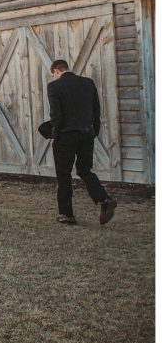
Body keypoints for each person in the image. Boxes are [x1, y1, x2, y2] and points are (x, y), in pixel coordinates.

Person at [47, 59, 117, 226]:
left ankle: (66, 214)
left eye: (54, 75)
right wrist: (94, 131)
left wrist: (54, 133)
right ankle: (104, 199)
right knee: (85, 170)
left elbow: (56, 115)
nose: (54, 77)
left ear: (56, 71)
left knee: (63, 174)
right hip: (87, 133)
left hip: (66, 136)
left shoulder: (54, 86)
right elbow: (96, 110)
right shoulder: (88, 83)